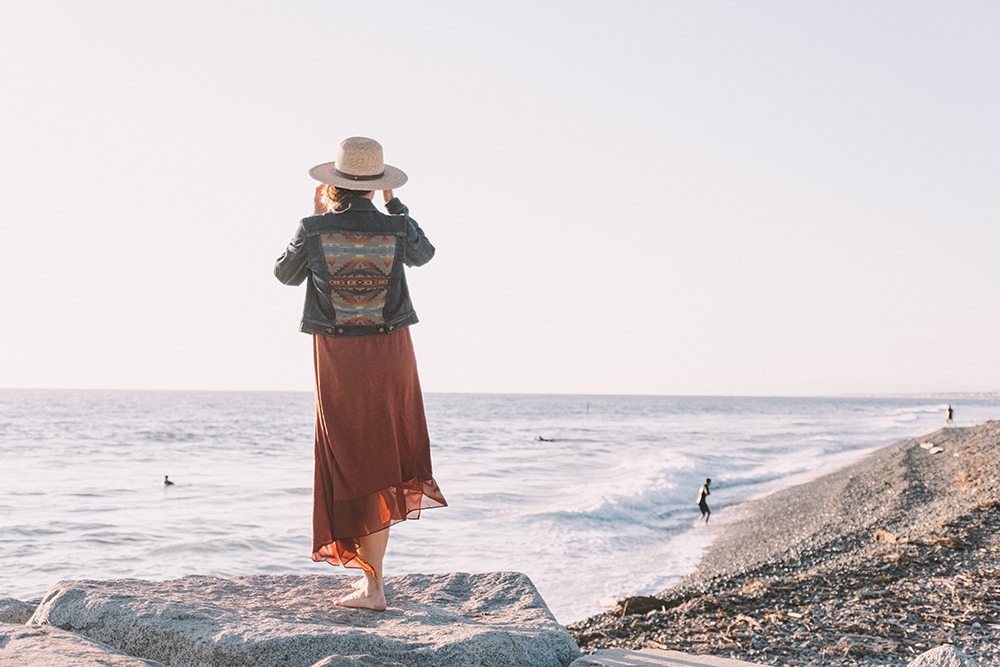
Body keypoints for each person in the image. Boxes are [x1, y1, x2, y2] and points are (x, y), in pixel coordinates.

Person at [274, 137, 447, 611]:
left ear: (335, 185)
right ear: (376, 187)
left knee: (346, 454)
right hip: (390, 352)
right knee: (383, 455)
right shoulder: (396, 226)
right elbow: (424, 254)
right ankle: (374, 583)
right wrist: (398, 209)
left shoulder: (312, 228)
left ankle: (373, 587)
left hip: (338, 355)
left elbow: (285, 275)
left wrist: (317, 217)